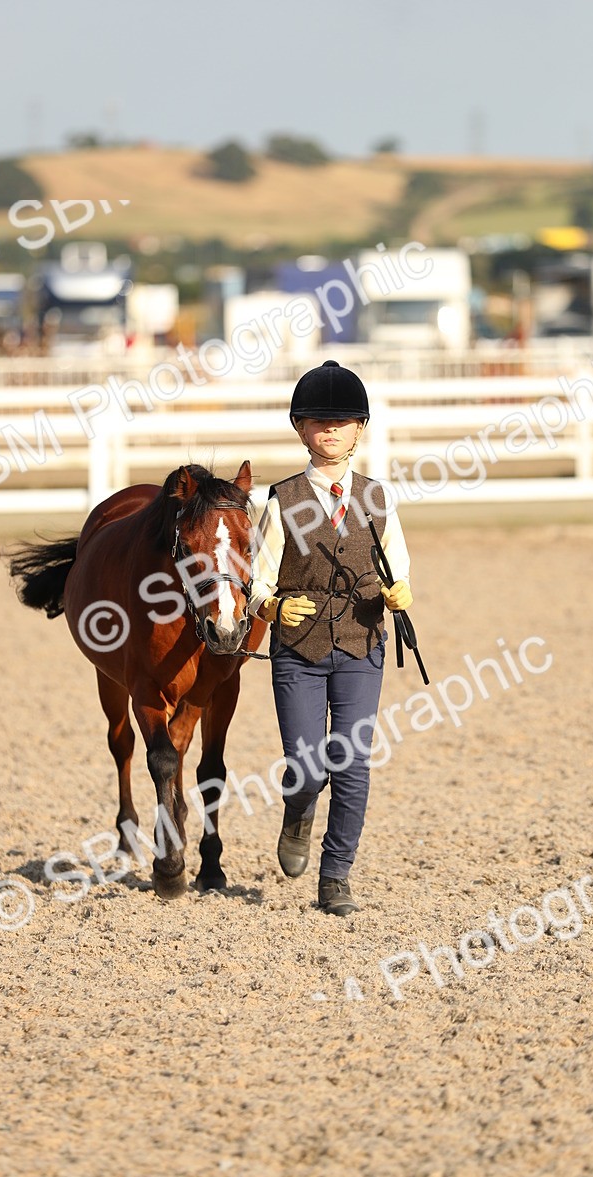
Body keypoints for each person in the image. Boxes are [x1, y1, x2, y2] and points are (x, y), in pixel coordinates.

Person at [249, 360, 413, 916]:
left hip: (363, 644)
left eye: (343, 421)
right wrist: (271, 605)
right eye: (320, 422)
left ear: (360, 427)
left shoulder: (377, 497)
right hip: (298, 650)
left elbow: (399, 566)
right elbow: (256, 580)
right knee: (307, 765)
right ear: (301, 428)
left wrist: (401, 593)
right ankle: (298, 808)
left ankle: (335, 875)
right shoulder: (283, 500)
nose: (332, 430)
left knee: (352, 764)